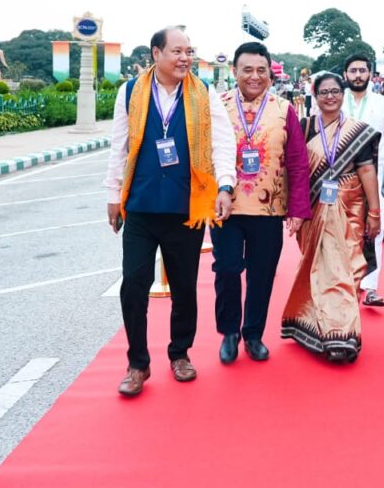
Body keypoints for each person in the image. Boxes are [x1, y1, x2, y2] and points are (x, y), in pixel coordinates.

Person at [104, 26, 237, 396]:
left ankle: (180, 353)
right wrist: (113, 194)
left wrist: (225, 185)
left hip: (186, 207)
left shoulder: (203, 92)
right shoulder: (130, 91)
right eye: (177, 51)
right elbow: (119, 145)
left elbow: (222, 141)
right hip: (141, 207)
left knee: (183, 287)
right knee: (133, 285)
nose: (185, 58)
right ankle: (137, 363)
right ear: (156, 54)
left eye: (188, 51)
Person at [213, 42, 311, 364]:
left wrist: (298, 209)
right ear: (234, 72)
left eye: (261, 70)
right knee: (227, 269)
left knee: (262, 273)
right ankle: (229, 331)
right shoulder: (218, 107)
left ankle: (253, 334)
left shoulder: (284, 109)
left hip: (269, 209)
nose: (254, 77)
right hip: (226, 207)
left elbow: (297, 161)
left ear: (270, 72)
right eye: (247, 70)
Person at [280, 73, 381, 362]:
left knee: (346, 270)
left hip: (349, 206)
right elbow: (293, 168)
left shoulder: (357, 131)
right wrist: (291, 207)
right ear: (315, 95)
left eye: (335, 91)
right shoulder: (304, 127)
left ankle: (343, 335)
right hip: (313, 207)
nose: (330, 97)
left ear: (343, 94)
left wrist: (375, 212)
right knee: (318, 268)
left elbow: (367, 170)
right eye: (324, 92)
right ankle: (317, 326)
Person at [343, 54, 384, 307]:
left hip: (376, 176)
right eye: (353, 71)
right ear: (345, 75)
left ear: (370, 74)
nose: (357, 75)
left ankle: (371, 287)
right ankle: (346, 284)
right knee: (343, 231)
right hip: (342, 177)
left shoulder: (382, 103)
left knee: (373, 231)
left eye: (362, 71)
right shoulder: (336, 99)